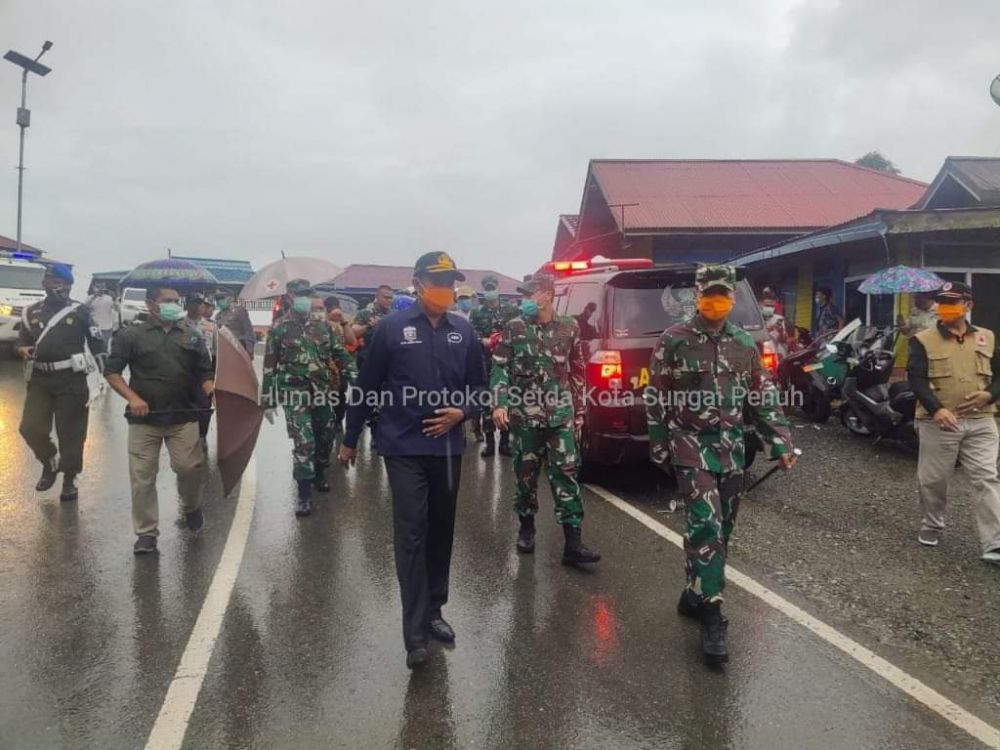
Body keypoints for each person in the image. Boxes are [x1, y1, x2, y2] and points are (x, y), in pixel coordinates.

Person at [339, 252, 486, 670]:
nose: (447, 288)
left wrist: (463, 411)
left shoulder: (464, 330)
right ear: (418, 283)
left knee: (441, 531)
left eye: (451, 281)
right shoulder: (390, 329)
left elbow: (479, 386)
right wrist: (350, 439)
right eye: (439, 280)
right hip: (402, 446)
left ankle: (435, 609)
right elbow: (366, 387)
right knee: (411, 534)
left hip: (447, 449)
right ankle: (414, 633)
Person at [646, 264, 795, 665]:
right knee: (707, 525)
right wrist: (659, 444)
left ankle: (695, 591)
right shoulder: (673, 340)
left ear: (732, 298)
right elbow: (656, 395)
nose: (716, 302)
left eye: (723, 295)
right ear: (696, 296)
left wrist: (780, 441)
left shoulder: (744, 342)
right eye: (709, 294)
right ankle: (713, 617)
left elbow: (762, 396)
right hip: (689, 444)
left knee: (721, 530)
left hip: (730, 448)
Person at [490, 272, 601, 567]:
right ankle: (527, 528)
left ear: (548, 295)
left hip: (559, 417)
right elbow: (500, 368)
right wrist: (499, 404)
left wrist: (579, 412)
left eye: (531, 293)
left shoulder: (569, 327)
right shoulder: (513, 327)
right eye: (524, 294)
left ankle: (573, 544)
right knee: (526, 478)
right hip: (524, 418)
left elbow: (577, 370)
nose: (526, 299)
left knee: (566, 476)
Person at [104, 286, 214, 554]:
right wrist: (132, 398)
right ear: (151, 304)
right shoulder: (131, 335)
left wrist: (212, 389)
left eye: (177, 301)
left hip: (183, 416)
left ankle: (191, 506)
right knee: (142, 478)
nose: (174, 305)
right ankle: (146, 533)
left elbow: (205, 372)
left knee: (190, 468)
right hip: (145, 420)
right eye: (168, 301)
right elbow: (112, 372)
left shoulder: (192, 336)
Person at [906, 281, 1000, 565]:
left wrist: (989, 394)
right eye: (942, 301)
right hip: (939, 423)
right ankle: (933, 524)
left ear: (968, 305)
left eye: (952, 302)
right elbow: (917, 379)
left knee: (986, 477)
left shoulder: (987, 336)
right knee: (933, 480)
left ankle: (994, 543)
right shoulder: (922, 339)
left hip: (982, 420)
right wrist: (936, 410)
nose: (945, 307)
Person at [262, 280, 358, 517]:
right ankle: (304, 495)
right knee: (304, 442)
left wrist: (355, 377)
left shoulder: (323, 325)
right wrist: (268, 399)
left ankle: (320, 472)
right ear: (289, 297)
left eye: (308, 294)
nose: (304, 298)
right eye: (300, 294)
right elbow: (269, 367)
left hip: (323, 392)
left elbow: (339, 352)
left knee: (325, 435)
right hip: (295, 394)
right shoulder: (279, 329)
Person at [17, 263, 106, 503]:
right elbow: (21, 341)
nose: (57, 287)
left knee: (72, 433)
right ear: (44, 283)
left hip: (71, 380)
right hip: (40, 380)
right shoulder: (30, 313)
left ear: (69, 286)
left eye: (62, 283)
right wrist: (23, 349)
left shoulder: (79, 312)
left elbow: (97, 342)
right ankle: (49, 460)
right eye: (52, 281)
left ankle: (69, 478)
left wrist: (104, 371)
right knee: (30, 428)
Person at [471, 274, 516, 458]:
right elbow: (471, 333)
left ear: (498, 287)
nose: (490, 290)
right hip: (485, 363)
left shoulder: (510, 310)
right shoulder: (477, 312)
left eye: (493, 286)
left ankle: (504, 442)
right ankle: (490, 443)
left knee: (506, 401)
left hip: (506, 364)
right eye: (487, 287)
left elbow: (517, 330)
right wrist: (482, 340)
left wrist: (503, 339)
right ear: (483, 288)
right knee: (487, 404)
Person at [184, 293, 218, 441]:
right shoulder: (179, 325)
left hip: (205, 372)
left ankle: (202, 435)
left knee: (204, 405)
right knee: (185, 403)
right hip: (184, 371)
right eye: (193, 303)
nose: (197, 306)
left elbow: (217, 351)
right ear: (187, 305)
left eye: (200, 303)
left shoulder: (211, 326)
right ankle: (186, 435)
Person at [214, 288, 256, 357]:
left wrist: (249, 350)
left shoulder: (239, 311)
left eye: (222, 298)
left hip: (238, 348)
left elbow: (249, 331)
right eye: (217, 299)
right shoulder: (218, 315)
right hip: (223, 350)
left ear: (231, 298)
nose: (219, 301)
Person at [759, 287, 787, 355]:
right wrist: (770, 329)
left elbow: (783, 341)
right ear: (761, 304)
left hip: (773, 354)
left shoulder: (779, 319)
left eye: (771, 306)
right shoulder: (756, 319)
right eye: (767, 305)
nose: (769, 308)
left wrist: (780, 332)